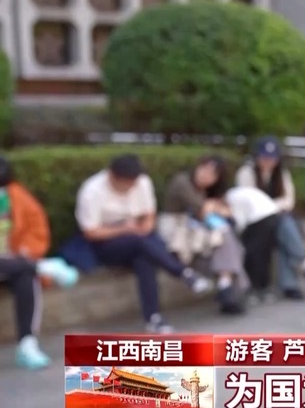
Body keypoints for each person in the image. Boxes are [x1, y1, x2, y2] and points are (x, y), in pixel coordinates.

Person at [71, 154, 212, 333]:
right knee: (141, 244)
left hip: (138, 235)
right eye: (126, 184)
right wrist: (124, 229)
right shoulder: (92, 191)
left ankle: (154, 318)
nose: (130, 188)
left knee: (144, 258)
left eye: (133, 183)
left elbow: (149, 214)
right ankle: (184, 273)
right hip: (106, 242)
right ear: (112, 176)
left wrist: (145, 227)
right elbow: (91, 232)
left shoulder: (143, 183)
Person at [0, 157, 79, 370]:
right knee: (26, 267)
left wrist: (27, 251)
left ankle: (27, 343)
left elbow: (36, 229)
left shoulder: (17, 196)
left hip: (12, 263)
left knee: (25, 276)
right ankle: (43, 267)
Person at [235, 137, 305, 299]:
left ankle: (291, 282)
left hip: (275, 219)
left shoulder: (281, 174)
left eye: (272, 158)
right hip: (254, 224)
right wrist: (274, 206)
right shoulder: (246, 174)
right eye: (264, 157)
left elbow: (289, 201)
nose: (268, 162)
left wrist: (270, 206)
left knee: (284, 225)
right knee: (284, 225)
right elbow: (250, 202)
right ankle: (304, 264)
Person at [162, 155, 249, 315]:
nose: (205, 175)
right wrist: (213, 207)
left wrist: (214, 207)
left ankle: (227, 287)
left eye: (212, 174)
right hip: (177, 232)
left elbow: (226, 212)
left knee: (226, 238)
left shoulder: (208, 192)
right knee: (227, 237)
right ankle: (230, 288)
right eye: (204, 169)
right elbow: (201, 209)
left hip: (197, 233)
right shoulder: (182, 182)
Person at [223, 185, 305, 302]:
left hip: (261, 218)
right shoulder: (241, 190)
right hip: (272, 212)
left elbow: (240, 222)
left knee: (257, 251)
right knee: (285, 234)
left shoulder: (232, 198)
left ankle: (259, 288)